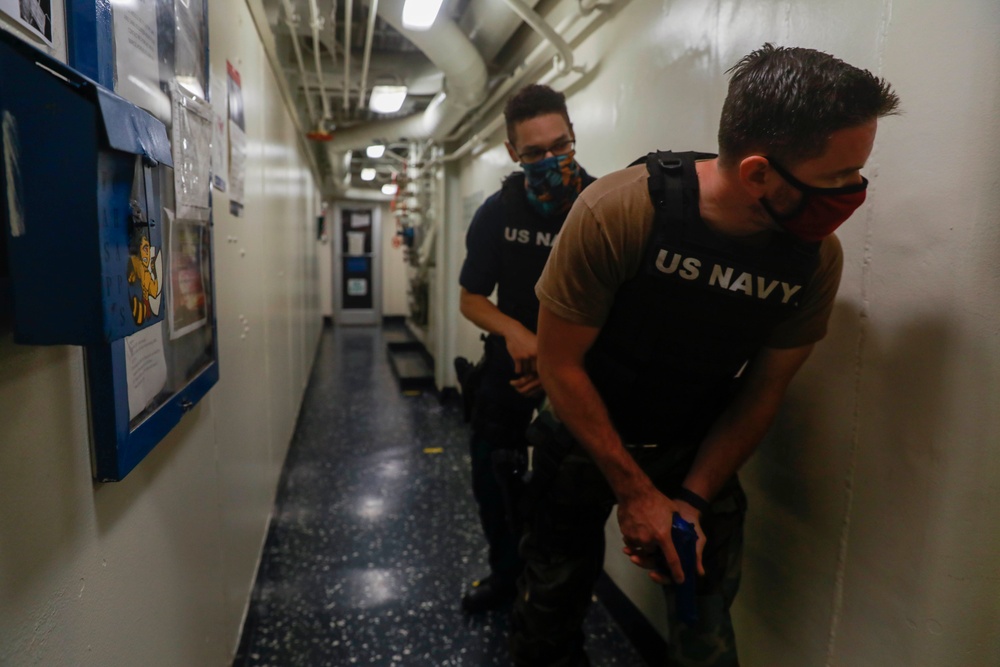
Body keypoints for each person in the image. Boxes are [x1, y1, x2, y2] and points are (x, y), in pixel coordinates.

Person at [509, 44, 900, 666]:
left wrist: (689, 499)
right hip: (582, 436)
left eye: (857, 175)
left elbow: (763, 389)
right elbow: (560, 366)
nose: (853, 195)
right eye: (835, 180)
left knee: (705, 630)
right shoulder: (618, 212)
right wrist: (636, 495)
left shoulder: (813, 259)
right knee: (548, 610)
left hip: (694, 448)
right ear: (757, 174)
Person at [457, 84, 597, 614]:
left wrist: (560, 368)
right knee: (493, 487)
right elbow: (471, 299)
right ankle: (505, 577)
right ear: (514, 154)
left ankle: (559, 608)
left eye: (560, 147)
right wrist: (515, 332)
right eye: (535, 153)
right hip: (508, 376)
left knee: (568, 504)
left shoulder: (603, 205)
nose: (550, 161)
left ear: (573, 138)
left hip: (579, 380)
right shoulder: (498, 212)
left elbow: (623, 311)